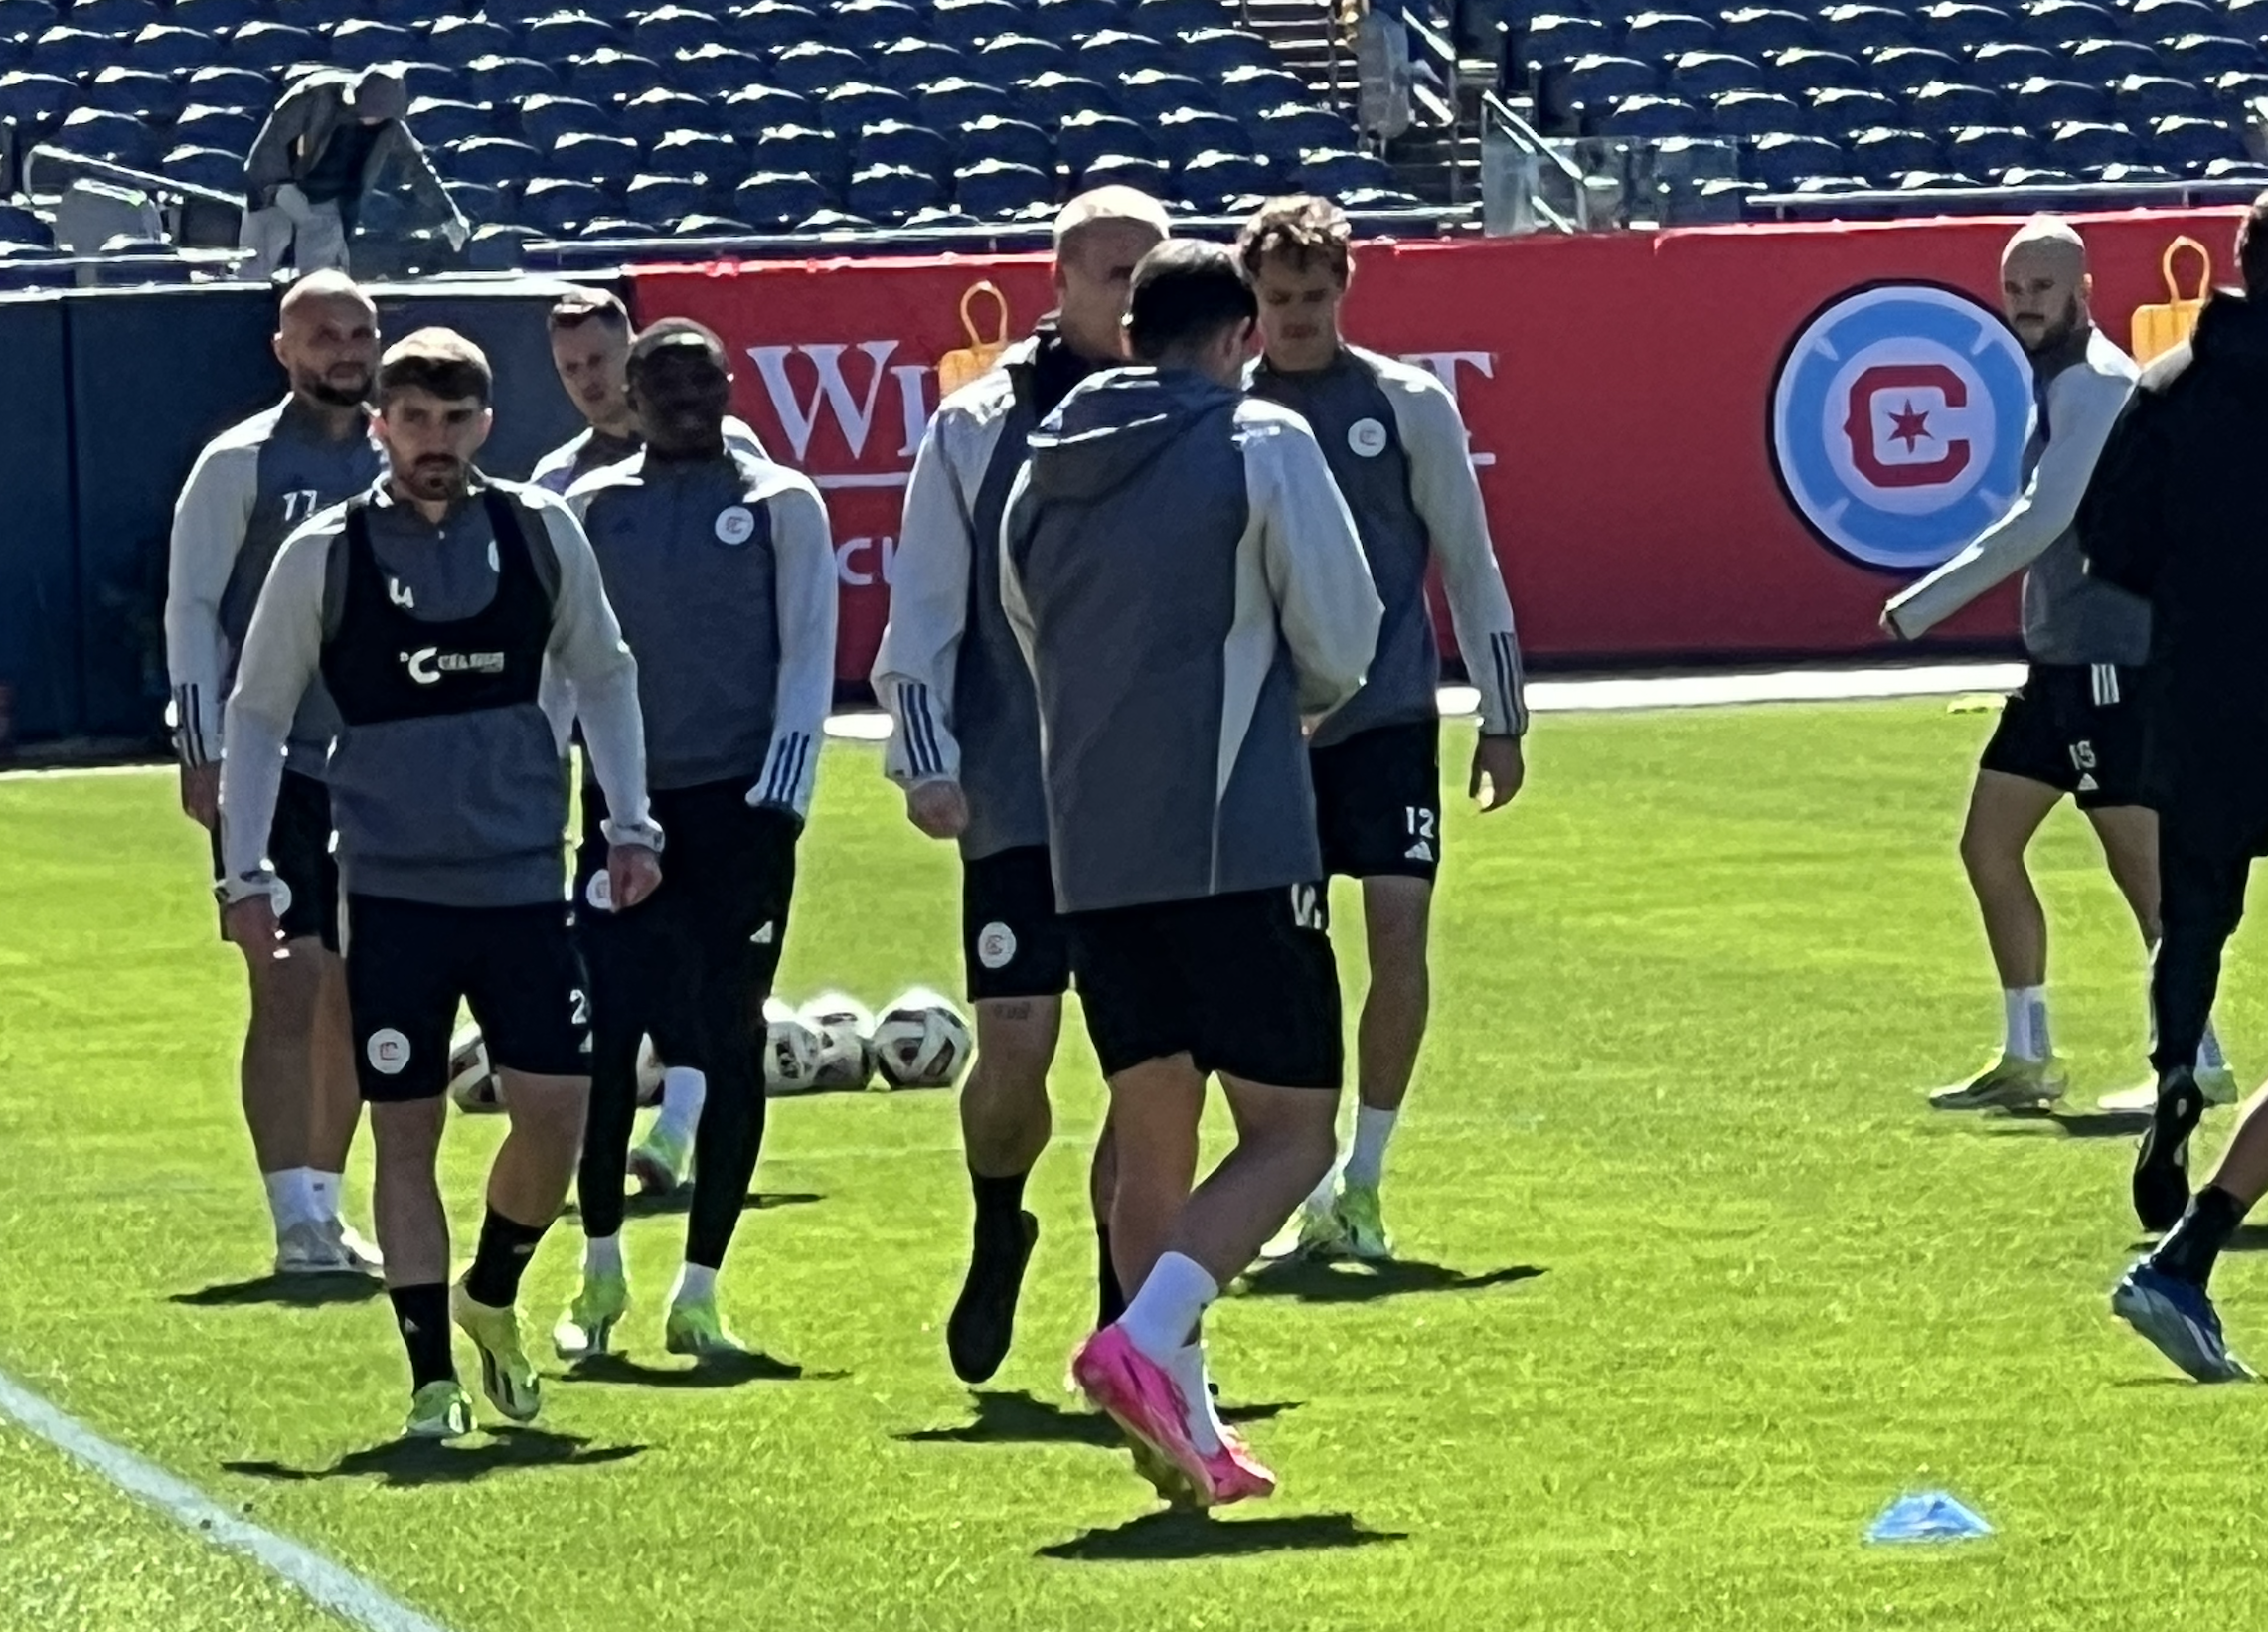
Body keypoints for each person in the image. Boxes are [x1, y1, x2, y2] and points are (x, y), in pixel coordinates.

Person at [218, 329, 661, 1440]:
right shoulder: (325, 553)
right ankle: (431, 1381)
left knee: (556, 1117)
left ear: (485, 425)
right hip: (391, 895)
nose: (434, 441)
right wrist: (245, 870)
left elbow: (605, 672)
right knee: (405, 1131)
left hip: (522, 884)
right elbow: (258, 712)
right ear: (379, 425)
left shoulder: (537, 530)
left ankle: (490, 1292)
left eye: (455, 420)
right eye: (412, 418)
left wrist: (630, 822)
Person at [1003, 241, 1382, 1505]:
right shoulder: (1259, 437)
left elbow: (1027, 630)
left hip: (1090, 845)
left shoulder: (1039, 465)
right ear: (1238, 337)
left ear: (1129, 334)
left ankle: (1184, 1428)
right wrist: (1294, 707)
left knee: (1150, 1129)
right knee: (1292, 1130)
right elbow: (1340, 633)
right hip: (1232, 829)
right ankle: (1144, 1339)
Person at [871, 185, 1171, 1385]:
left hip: (1160, 801)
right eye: (1111, 275)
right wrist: (925, 758)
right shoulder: (978, 423)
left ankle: (1118, 1306)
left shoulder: (1208, 411)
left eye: (1149, 275)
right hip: (1019, 789)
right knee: (1013, 1047)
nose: (1133, 299)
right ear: (1058, 282)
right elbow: (922, 603)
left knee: (1150, 1064)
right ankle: (999, 1222)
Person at [1884, 218, 2236, 1117]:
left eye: (2041, 288)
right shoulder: (2064, 379)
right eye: (2013, 289)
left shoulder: (2100, 382)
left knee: (2142, 870)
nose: (2025, 304)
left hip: (2107, 664)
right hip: (2057, 667)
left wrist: (1925, 603)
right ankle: (2027, 1053)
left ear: (2083, 288)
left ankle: (2198, 1058)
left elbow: (2045, 518)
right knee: (1988, 845)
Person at [1238, 195, 1529, 1261]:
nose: (1297, 316)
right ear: (1250, 298)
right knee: (1285, 958)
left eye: (1314, 296)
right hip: (1271, 733)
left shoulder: (1406, 403)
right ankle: (1299, 1178)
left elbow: (1469, 559)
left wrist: (1502, 715)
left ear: (1345, 292)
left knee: (1397, 933)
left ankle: (1364, 1178)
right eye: (1279, 298)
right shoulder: (1228, 409)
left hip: (1392, 715)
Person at [552, 320, 836, 1361]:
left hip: (739, 813)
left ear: (728, 386)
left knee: (729, 1040)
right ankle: (597, 1272)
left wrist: (780, 800)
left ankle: (701, 1291)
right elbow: (565, 663)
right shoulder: (588, 507)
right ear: (628, 397)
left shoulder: (780, 502)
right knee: (606, 1042)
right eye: (660, 383)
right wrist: (558, 791)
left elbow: (807, 655)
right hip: (623, 811)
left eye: (700, 380)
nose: (683, 399)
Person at [165, 271, 386, 1278]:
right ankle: (290, 1211)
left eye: (358, 332)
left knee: (358, 988)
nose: (343, 350)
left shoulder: (401, 455)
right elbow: (191, 607)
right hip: (272, 757)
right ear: (283, 350)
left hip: (379, 762)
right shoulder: (239, 462)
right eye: (322, 334)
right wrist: (201, 747)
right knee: (287, 976)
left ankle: (330, 1209)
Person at [2092, 196, 2268, 1379]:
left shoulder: (2167, 385)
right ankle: (2185, 1251)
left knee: (2193, 915)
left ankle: (2173, 1068)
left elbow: (2109, 541)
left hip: (2201, 694)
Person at [530, 290, 766, 502]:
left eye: (596, 360)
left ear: (632, 352)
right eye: (570, 368)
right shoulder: (556, 480)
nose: (585, 380)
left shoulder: (729, 440)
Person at [241, 67, 465, 284]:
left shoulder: (391, 124)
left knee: (323, 275)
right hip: (277, 186)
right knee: (259, 259)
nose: (370, 121)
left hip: (326, 201)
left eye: (378, 117)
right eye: (366, 113)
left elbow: (415, 166)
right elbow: (271, 146)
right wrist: (272, 189)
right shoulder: (315, 96)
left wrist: (448, 214)